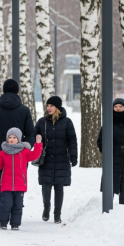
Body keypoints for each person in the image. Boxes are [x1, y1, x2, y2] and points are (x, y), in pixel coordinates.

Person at [0, 79, 35, 224]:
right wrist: (26, 147)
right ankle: (15, 215)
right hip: (20, 155)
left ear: (3, 91)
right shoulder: (24, 110)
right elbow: (31, 133)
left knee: (0, 184)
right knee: (18, 183)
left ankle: (1, 216)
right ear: (17, 92)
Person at [0, 128, 43, 230]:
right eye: (10, 137)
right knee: (5, 204)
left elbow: (34, 156)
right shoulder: (3, 152)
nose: (11, 139)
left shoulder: (24, 151)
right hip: (6, 184)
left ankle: (15, 224)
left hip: (20, 184)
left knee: (17, 206)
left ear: (19, 139)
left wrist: (38, 144)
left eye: (14, 137)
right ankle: (3, 222)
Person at [35, 96, 78, 224]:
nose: (48, 108)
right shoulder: (42, 122)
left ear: (57, 108)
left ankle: (57, 214)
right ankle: (46, 208)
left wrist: (74, 156)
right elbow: (34, 136)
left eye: (51, 106)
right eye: (47, 105)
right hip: (46, 159)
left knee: (59, 186)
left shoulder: (67, 122)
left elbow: (72, 140)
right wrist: (36, 141)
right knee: (46, 185)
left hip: (62, 158)